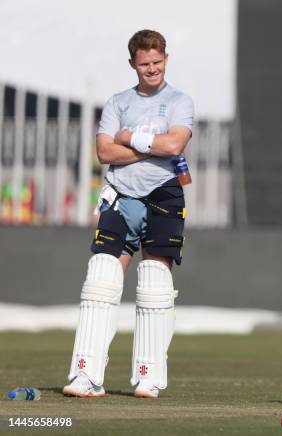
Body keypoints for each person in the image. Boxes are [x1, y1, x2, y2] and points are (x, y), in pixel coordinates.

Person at [63, 29, 194, 398]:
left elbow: (175, 143)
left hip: (163, 194)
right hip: (121, 194)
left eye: (156, 62)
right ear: (132, 64)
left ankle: (147, 377)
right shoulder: (118, 102)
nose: (151, 69)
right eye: (144, 64)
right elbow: (104, 153)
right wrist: (152, 147)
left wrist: (127, 139)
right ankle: (85, 375)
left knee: (154, 283)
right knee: (100, 279)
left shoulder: (181, 101)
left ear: (165, 59)